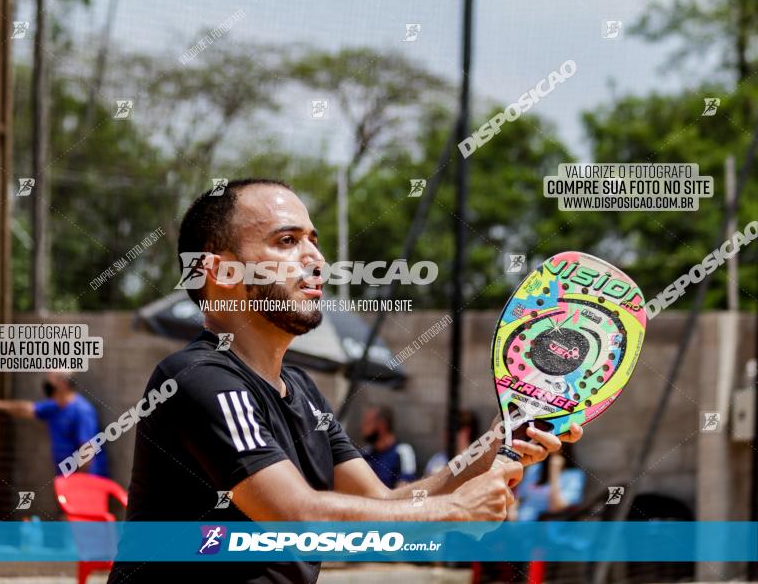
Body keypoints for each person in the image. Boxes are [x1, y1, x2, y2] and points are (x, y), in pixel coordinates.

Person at [108, 179, 583, 584]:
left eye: (313, 239)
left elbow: (388, 503)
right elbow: (296, 515)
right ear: (218, 270)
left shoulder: (302, 391)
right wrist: (457, 510)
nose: (316, 258)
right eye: (287, 240)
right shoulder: (197, 377)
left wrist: (497, 443)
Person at [0, 371, 108, 477]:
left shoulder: (82, 411)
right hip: (66, 477)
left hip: (87, 480)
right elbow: (24, 409)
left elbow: (87, 451)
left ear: (62, 384)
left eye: (50, 379)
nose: (47, 383)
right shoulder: (55, 406)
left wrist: (78, 483)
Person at [511, 442, 586, 522]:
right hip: (520, 522)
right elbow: (519, 496)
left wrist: (554, 472)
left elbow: (556, 507)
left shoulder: (574, 475)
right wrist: (512, 512)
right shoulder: (535, 468)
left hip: (546, 525)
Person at [359, 405, 417, 488]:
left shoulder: (403, 451)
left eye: (367, 423)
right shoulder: (364, 454)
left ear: (382, 425)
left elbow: (405, 485)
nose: (362, 427)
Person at [424, 410, 479, 476]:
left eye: (452, 430)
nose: (447, 434)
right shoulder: (437, 460)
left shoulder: (478, 460)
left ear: (466, 432)